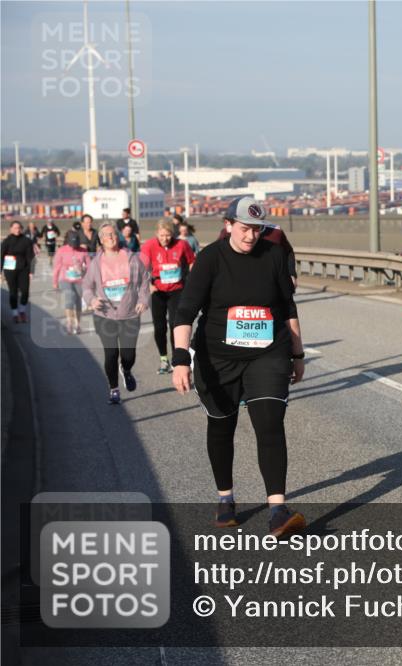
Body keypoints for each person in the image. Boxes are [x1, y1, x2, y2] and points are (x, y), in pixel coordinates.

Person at [173, 196, 306, 538]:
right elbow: (186, 310)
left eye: (257, 230)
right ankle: (225, 499)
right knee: (221, 425)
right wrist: (179, 358)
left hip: (267, 354)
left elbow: (287, 306)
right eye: (245, 229)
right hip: (217, 358)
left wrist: (297, 353)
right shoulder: (210, 259)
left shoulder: (274, 255)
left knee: (270, 422)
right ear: (228, 225)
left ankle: (278, 510)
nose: (251, 237)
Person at [81, 222, 151, 405]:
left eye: (113, 234)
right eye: (106, 235)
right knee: (110, 353)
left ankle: (126, 370)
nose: (110, 237)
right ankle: (113, 389)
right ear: (101, 240)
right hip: (105, 316)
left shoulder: (131, 259)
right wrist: (92, 300)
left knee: (129, 355)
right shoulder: (96, 263)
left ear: (117, 237)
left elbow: (144, 281)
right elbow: (86, 287)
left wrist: (144, 300)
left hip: (129, 315)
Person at [140, 220, 196, 374]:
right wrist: (148, 285)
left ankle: (175, 361)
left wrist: (191, 279)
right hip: (157, 291)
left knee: (175, 325)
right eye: (162, 235)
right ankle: (163, 358)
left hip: (177, 290)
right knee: (159, 327)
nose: (165, 238)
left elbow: (192, 262)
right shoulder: (149, 246)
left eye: (168, 235)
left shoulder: (181, 245)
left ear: (173, 234)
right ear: (156, 234)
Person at [217, 220, 297, 291]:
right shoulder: (230, 231)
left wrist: (291, 274)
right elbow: (218, 254)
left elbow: (288, 252)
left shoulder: (275, 232)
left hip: (269, 284)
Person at [52, 230, 90, 334]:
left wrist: (83, 269)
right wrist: (55, 281)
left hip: (79, 279)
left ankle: (77, 325)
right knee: (70, 298)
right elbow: (57, 267)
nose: (74, 246)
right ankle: (69, 323)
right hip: (65, 278)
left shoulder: (83, 251)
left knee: (78, 302)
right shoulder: (61, 250)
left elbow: (89, 266)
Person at [1, 221, 36, 323]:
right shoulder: (6, 241)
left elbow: (31, 257)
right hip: (10, 270)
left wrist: (31, 271)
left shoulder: (26, 241)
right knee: (13, 292)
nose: (17, 230)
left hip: (23, 269)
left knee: (25, 291)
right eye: (15, 228)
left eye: (19, 228)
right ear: (11, 229)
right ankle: (15, 313)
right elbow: (1, 256)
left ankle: (22, 311)